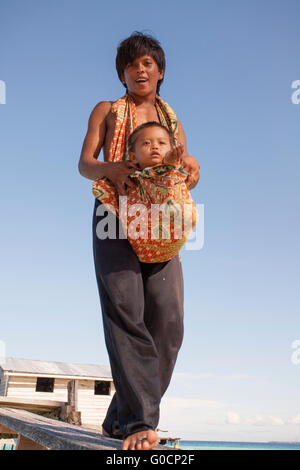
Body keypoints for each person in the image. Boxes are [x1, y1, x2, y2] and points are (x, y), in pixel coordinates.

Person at [78, 32, 200, 451]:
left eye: (148, 63)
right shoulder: (107, 110)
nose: (140, 69)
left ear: (160, 72)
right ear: (123, 74)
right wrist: (111, 169)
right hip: (113, 213)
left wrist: (192, 165)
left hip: (160, 221)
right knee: (125, 311)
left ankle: (118, 418)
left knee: (168, 323)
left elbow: (182, 165)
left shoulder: (172, 120)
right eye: (132, 65)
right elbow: (85, 164)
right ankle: (140, 424)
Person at [93, 121, 199, 263]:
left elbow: (180, 184)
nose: (155, 146)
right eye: (146, 143)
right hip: (143, 240)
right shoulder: (131, 180)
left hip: (174, 221)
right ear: (133, 157)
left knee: (167, 179)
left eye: (162, 143)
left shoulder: (174, 174)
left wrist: (173, 162)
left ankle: (166, 166)